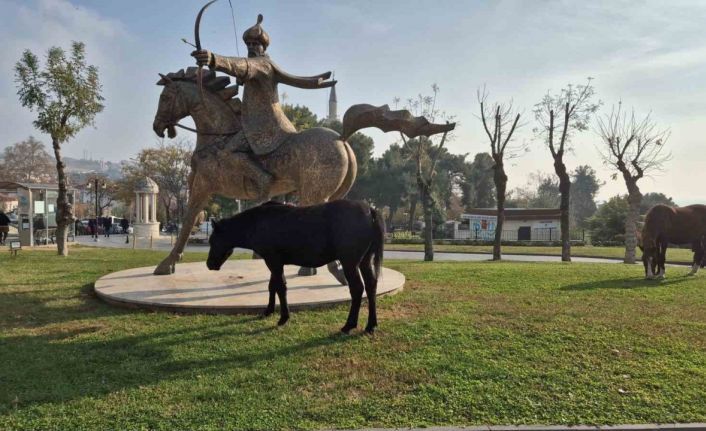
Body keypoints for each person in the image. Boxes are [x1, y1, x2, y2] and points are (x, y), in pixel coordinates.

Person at [191, 14, 335, 200]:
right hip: (272, 126)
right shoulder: (265, 64)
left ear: (263, 47)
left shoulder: (261, 64)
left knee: (227, 153)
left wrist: (213, 59)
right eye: (248, 44)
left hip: (263, 128)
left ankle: (261, 178)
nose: (251, 47)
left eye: (255, 44)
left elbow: (239, 65)